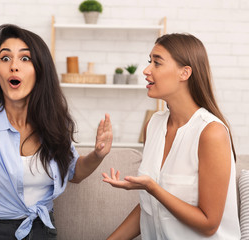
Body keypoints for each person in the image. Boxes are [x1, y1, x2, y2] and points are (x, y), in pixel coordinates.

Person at [0, 24, 113, 240]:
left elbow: (73, 173)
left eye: (25, 59)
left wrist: (98, 154)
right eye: (5, 58)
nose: (14, 66)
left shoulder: (53, 124)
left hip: (40, 231)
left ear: (40, 71)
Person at [102, 33, 241, 239]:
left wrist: (152, 188)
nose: (146, 70)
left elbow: (209, 224)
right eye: (150, 62)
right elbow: (151, 208)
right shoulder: (153, 125)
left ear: (184, 73)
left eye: (157, 63)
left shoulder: (211, 132)